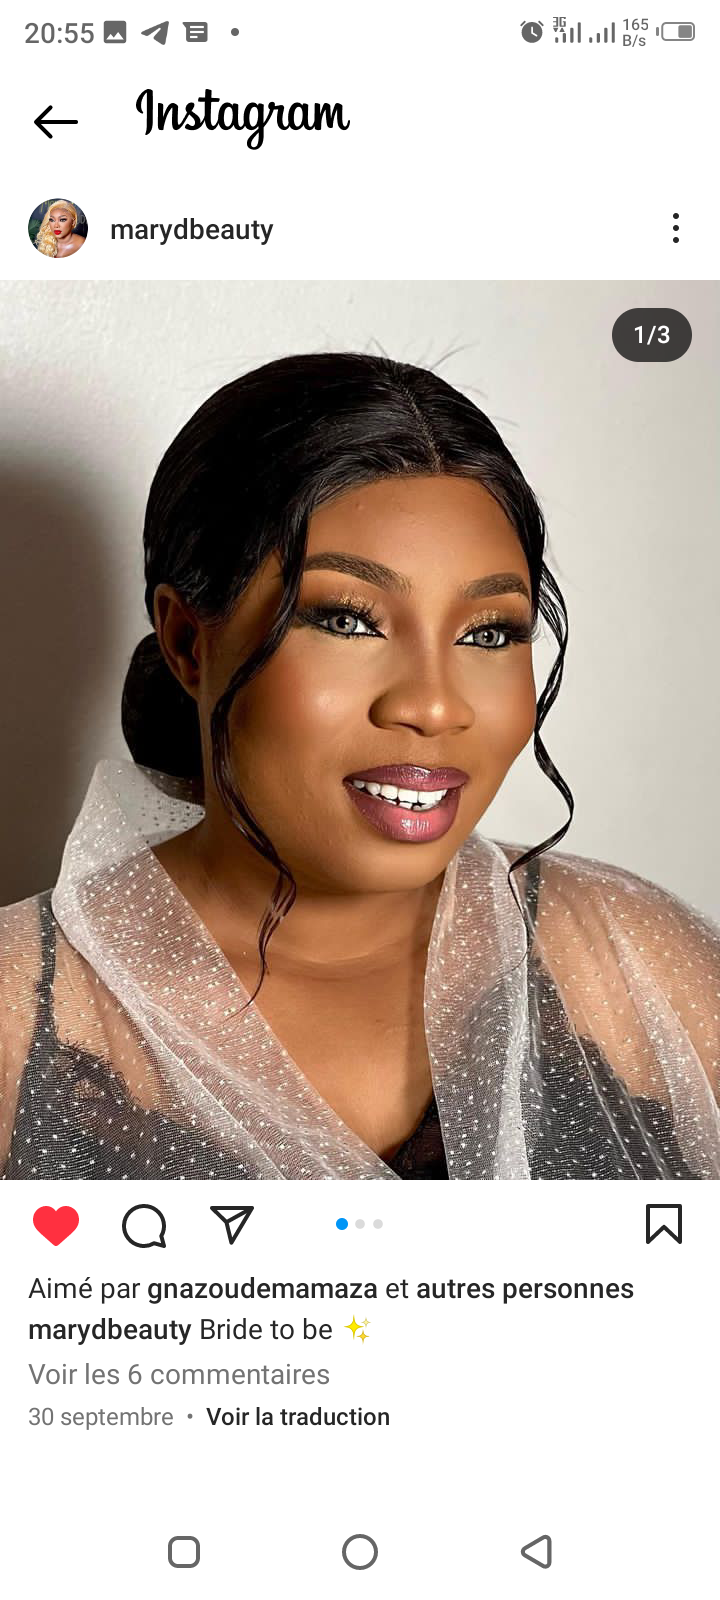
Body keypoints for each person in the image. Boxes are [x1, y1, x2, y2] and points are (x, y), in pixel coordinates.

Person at [1, 353, 718, 1180]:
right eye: (347, 620)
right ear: (189, 642)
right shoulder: (20, 1012)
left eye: (489, 632)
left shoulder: (638, 961)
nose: (435, 706)